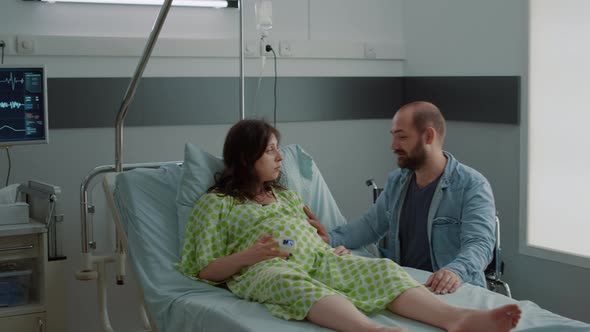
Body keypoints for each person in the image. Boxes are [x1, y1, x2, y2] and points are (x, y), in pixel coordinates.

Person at [177, 119, 520, 332]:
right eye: (271, 151)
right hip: (265, 269)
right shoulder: (216, 204)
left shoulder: (287, 197)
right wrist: (249, 256)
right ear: (246, 158)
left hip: (320, 258)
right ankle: (368, 330)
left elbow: (317, 235)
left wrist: (327, 243)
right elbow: (204, 268)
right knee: (290, 282)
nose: (281, 158)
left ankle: (455, 319)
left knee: (381, 269)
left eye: (279, 150)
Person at [322, 101, 497, 295]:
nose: (393, 146)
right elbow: (370, 226)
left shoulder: (472, 185)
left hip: (453, 290)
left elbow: (480, 244)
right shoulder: (397, 181)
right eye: (394, 137)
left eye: (402, 137)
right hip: (408, 287)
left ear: (428, 136)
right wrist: (328, 238)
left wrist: (454, 272)